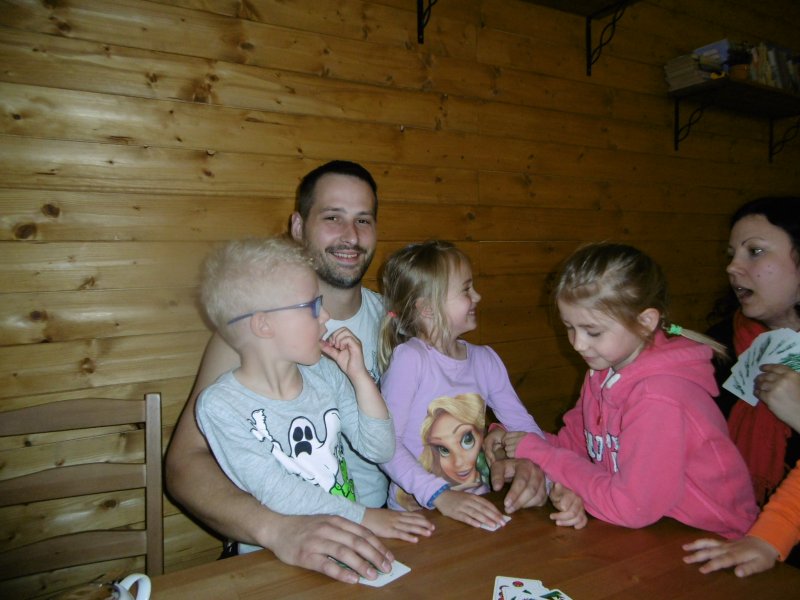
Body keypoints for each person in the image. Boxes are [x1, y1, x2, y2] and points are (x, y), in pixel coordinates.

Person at [165, 160, 419, 584]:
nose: (351, 235)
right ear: (299, 227)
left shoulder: (395, 323)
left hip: (389, 529)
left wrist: (502, 453)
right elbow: (183, 467)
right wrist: (276, 529)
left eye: (363, 220)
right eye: (333, 217)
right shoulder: (246, 338)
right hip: (286, 546)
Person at [493, 242, 759, 538]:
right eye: (569, 327)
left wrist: (542, 455)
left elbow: (632, 508)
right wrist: (510, 438)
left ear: (645, 322)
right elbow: (574, 447)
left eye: (593, 331)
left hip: (715, 539)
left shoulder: (660, 396)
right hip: (658, 530)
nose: (578, 343)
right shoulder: (601, 372)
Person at [195, 236, 432, 555]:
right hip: (274, 557)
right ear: (263, 325)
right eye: (313, 307)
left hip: (345, 538)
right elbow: (278, 492)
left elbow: (379, 448)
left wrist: (359, 377)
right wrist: (364, 517)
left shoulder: (325, 375)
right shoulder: (222, 406)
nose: (325, 317)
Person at [377, 240, 552, 529]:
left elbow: (523, 426)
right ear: (428, 308)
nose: (478, 296)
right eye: (466, 290)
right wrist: (439, 495)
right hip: (416, 517)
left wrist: (547, 476)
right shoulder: (410, 359)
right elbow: (385, 444)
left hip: (475, 508)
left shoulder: (485, 360)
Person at [683, 196, 800, 574]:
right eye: (731, 254)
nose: (733, 267)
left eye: (756, 251)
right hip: (727, 537)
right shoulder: (718, 347)